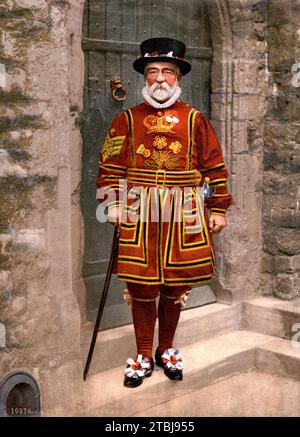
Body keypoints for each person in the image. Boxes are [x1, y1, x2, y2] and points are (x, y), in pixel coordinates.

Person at [96, 38, 233, 388]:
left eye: (167, 73)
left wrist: (218, 207)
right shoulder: (126, 119)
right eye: (153, 72)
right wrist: (112, 202)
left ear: (179, 79)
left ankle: (166, 349)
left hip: (184, 210)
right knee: (141, 286)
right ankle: (142, 354)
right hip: (140, 211)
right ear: (144, 77)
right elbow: (109, 166)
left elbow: (216, 168)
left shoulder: (195, 119)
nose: (160, 79)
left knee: (175, 286)